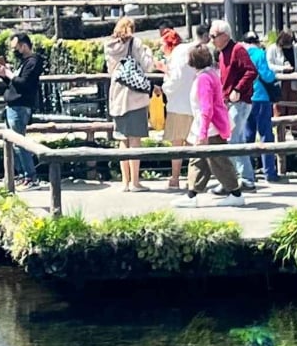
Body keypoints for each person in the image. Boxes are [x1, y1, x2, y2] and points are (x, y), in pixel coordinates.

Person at [172, 43, 245, 209]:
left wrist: (203, 134)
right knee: (200, 161)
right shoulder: (211, 73)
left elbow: (206, 108)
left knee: (218, 162)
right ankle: (192, 194)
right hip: (210, 126)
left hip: (209, 128)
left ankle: (235, 193)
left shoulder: (203, 79)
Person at [103, 17, 155, 192]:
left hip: (117, 96)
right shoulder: (136, 43)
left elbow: (111, 70)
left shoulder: (109, 46)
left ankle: (124, 182)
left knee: (122, 140)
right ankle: (135, 182)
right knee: (135, 141)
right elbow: (148, 66)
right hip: (135, 97)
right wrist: (148, 51)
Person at [210, 20, 259, 190]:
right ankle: (244, 178)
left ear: (225, 36)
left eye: (213, 36)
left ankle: (231, 180)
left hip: (240, 102)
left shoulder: (237, 49)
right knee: (237, 139)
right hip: (230, 103)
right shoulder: (223, 52)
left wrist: (238, 89)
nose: (211, 40)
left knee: (231, 139)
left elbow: (251, 71)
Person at [0, 32, 44, 189]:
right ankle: (21, 175)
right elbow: (14, 85)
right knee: (13, 144)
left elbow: (25, 84)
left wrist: (9, 74)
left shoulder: (34, 61)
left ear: (24, 46)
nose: (14, 51)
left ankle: (31, 177)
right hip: (12, 107)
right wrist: (4, 75)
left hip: (20, 107)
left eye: (16, 48)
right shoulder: (23, 63)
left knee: (20, 143)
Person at [160, 24, 198, 190]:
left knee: (177, 145)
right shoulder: (189, 51)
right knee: (191, 143)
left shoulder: (177, 56)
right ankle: (192, 179)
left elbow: (174, 80)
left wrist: (164, 82)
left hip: (177, 106)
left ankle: (175, 178)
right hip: (192, 104)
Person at [242, 31, 281, 183]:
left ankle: (248, 173)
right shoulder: (260, 54)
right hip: (261, 97)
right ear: (257, 41)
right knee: (266, 135)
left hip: (245, 98)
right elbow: (267, 75)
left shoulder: (240, 55)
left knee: (248, 135)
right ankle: (269, 173)